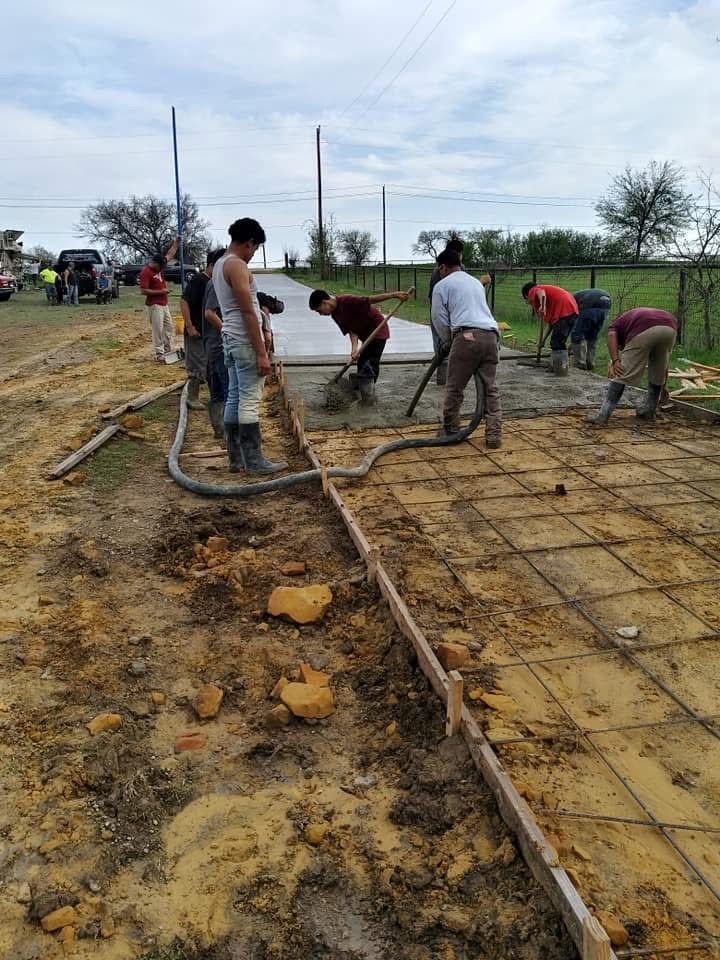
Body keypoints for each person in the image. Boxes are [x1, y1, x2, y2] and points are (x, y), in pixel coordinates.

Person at [213, 218, 287, 474]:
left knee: (235, 395)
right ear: (249, 242)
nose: (253, 254)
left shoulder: (220, 263)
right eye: (255, 249)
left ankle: (236, 459)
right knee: (249, 399)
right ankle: (254, 461)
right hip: (244, 340)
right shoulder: (236, 265)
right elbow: (247, 312)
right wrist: (261, 353)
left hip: (230, 338)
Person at [431, 249, 502, 448]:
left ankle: (451, 431)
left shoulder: (442, 285)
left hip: (466, 336)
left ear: (443, 267)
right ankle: (494, 435)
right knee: (490, 388)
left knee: (455, 386)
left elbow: (438, 317)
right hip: (491, 336)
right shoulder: (475, 282)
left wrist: (448, 341)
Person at [308, 287, 409, 402]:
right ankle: (359, 391)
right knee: (361, 364)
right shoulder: (336, 315)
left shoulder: (347, 301)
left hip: (378, 331)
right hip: (365, 336)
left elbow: (370, 300)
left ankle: (368, 399)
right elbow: (352, 330)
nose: (320, 314)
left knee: (370, 364)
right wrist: (354, 349)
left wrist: (394, 295)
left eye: (319, 310)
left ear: (325, 302)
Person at [588, 307, 678, 425]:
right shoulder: (631, 319)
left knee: (622, 373)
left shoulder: (616, 325)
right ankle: (649, 412)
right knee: (658, 372)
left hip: (645, 328)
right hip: (670, 328)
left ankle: (602, 416)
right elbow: (664, 367)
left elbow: (611, 335)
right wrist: (663, 385)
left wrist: (615, 360)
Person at [180, 252, 222, 410]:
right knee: (197, 365)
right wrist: (190, 326)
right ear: (211, 265)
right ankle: (192, 397)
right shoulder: (199, 280)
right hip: (196, 330)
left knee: (207, 365)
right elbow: (184, 302)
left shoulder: (212, 282)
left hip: (206, 332)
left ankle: (213, 395)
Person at [428, 237, 465, 385]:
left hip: (442, 310)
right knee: (445, 344)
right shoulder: (448, 269)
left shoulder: (439, 268)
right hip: (446, 311)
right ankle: (445, 377)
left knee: (442, 344)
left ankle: (445, 375)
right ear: (458, 253)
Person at [521, 281, 579, 376]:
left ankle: (561, 370)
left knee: (557, 342)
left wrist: (542, 306)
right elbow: (551, 325)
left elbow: (541, 293)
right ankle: (555, 366)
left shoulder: (533, 290)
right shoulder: (551, 302)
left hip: (565, 311)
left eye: (526, 300)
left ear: (526, 295)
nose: (528, 303)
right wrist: (542, 341)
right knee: (558, 340)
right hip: (571, 311)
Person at [138, 237, 180, 361]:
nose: (162, 268)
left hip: (164, 303)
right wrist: (160, 291)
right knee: (158, 329)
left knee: (169, 327)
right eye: (160, 266)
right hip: (154, 305)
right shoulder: (146, 272)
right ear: (154, 263)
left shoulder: (160, 265)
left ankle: (167, 349)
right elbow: (143, 291)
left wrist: (176, 243)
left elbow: (170, 254)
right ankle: (159, 354)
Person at [202, 270, 229, 443]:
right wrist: (228, 332)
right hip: (219, 346)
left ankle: (220, 430)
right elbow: (210, 313)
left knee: (218, 391)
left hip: (213, 346)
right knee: (228, 391)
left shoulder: (211, 284)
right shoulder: (217, 285)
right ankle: (228, 434)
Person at [571, 288, 612, 370]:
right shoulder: (579, 295)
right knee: (592, 335)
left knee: (577, 335)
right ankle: (590, 362)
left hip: (590, 305)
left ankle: (580, 363)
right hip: (606, 305)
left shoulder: (570, 299)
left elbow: (571, 318)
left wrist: (574, 340)